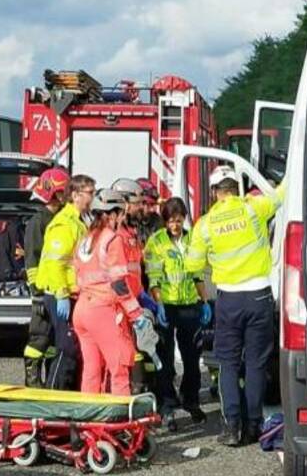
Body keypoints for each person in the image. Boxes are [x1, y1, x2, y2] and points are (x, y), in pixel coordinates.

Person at [187, 165, 283, 446]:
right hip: (259, 296)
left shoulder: (205, 224)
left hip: (228, 299)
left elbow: (193, 263)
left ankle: (232, 428)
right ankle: (254, 425)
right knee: (256, 363)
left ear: (215, 191)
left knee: (227, 363)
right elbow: (282, 194)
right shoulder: (254, 208)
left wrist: (214, 259)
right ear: (236, 187)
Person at [72, 189, 149, 395]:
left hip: (82, 309)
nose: (123, 217)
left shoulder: (85, 239)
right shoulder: (111, 240)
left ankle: (89, 423)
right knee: (120, 366)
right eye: (121, 213)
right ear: (112, 214)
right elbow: (118, 284)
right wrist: (136, 314)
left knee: (92, 370)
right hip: (103, 310)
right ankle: (119, 423)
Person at [144, 197, 209, 430]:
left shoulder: (193, 239)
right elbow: (154, 276)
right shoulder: (156, 242)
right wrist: (158, 303)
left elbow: (198, 274)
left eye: (179, 220)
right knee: (166, 358)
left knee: (192, 357)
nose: (175, 225)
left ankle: (190, 400)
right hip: (167, 306)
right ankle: (168, 404)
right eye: (171, 221)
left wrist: (204, 301)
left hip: (190, 305)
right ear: (165, 220)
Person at [38, 174, 95, 389]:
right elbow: (55, 263)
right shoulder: (63, 224)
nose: (92, 197)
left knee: (75, 348)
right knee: (67, 346)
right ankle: (54, 396)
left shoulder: (80, 222)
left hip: (74, 293)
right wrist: (61, 294)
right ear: (75, 195)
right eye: (90, 193)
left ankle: (68, 396)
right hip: (60, 293)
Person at [112, 177, 165, 392]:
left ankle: (143, 397)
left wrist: (145, 297)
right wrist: (133, 307)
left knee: (143, 351)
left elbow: (135, 271)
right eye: (138, 203)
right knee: (127, 356)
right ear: (125, 202)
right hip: (120, 307)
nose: (142, 207)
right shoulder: (116, 236)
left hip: (135, 301)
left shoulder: (130, 234)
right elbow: (116, 278)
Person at [22, 167, 69, 387]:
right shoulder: (37, 222)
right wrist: (36, 294)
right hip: (43, 289)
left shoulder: (60, 218)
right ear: (52, 192)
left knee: (52, 339)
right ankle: (31, 378)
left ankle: (50, 379)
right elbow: (31, 260)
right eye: (62, 191)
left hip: (57, 288)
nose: (65, 195)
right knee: (39, 336)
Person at [135, 178, 164, 242]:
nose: (152, 209)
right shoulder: (122, 223)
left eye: (153, 205)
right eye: (149, 204)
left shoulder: (158, 222)